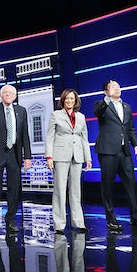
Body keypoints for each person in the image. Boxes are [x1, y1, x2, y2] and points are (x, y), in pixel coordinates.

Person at [93, 80, 137, 232]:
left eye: (118, 86)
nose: (117, 89)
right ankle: (111, 220)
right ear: (105, 91)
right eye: (113, 87)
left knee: (131, 185)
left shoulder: (127, 107)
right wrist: (107, 98)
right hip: (107, 151)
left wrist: (136, 144)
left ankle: (135, 218)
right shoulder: (101, 104)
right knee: (108, 186)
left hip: (124, 152)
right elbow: (97, 113)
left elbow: (130, 128)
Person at [0, 84, 32, 235]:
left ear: (15, 96)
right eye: (5, 93)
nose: (8, 95)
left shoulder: (21, 111)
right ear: (1, 95)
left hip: (14, 155)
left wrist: (27, 156)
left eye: (11, 93)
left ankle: (10, 221)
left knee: (13, 190)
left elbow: (25, 135)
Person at [45, 89, 92, 234]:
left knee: (76, 190)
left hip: (77, 156)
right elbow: (50, 137)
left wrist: (88, 158)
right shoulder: (56, 115)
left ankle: (79, 222)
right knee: (59, 190)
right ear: (63, 101)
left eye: (72, 99)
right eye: (67, 99)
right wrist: (49, 156)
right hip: (60, 155)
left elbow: (84, 139)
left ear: (75, 100)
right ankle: (59, 224)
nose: (69, 101)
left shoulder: (81, 117)